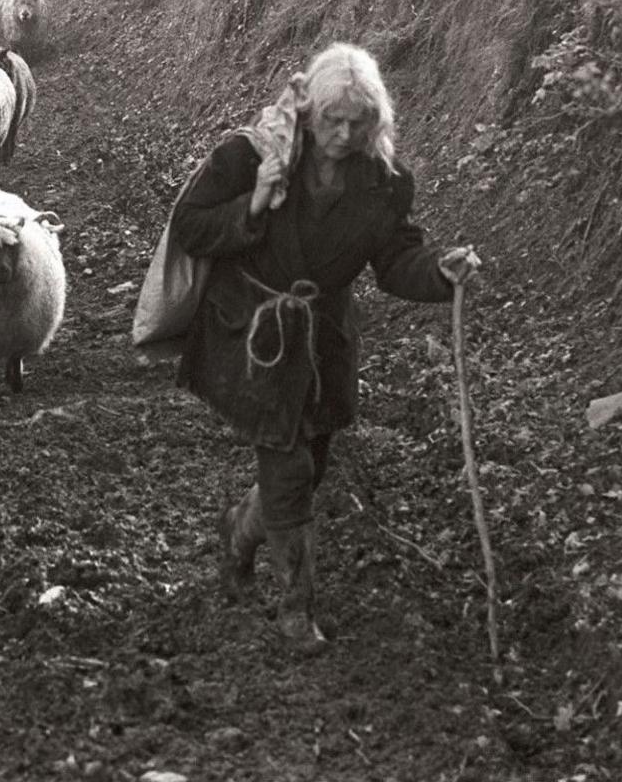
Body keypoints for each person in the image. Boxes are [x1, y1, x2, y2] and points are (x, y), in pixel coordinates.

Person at [169, 42, 479, 651]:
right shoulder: (250, 157)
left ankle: (238, 532)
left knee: (309, 473)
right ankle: (295, 608)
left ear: (374, 122)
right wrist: (253, 202)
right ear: (309, 112)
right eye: (332, 120)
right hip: (254, 336)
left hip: (324, 344)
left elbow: (394, 262)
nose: (342, 133)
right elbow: (191, 226)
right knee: (287, 469)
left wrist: (441, 272)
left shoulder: (385, 185)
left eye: (356, 123)